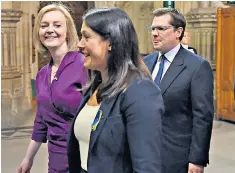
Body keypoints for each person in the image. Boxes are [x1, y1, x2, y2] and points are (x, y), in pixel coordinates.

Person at [67, 7, 164, 173]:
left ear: (111, 42)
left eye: (86, 37)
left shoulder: (140, 91)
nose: (79, 44)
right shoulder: (96, 85)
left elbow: (146, 167)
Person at [18, 4, 87, 173]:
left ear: (68, 31)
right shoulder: (42, 74)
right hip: (56, 161)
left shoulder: (83, 64)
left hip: (82, 159)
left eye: (57, 25)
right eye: (44, 25)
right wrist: (28, 159)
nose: (50, 30)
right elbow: (41, 121)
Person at [143, 8, 214, 173]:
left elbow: (202, 116)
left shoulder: (197, 66)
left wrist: (197, 159)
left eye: (161, 28)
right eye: (152, 28)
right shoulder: (146, 62)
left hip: (176, 156)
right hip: (144, 152)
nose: (154, 33)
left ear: (178, 32)